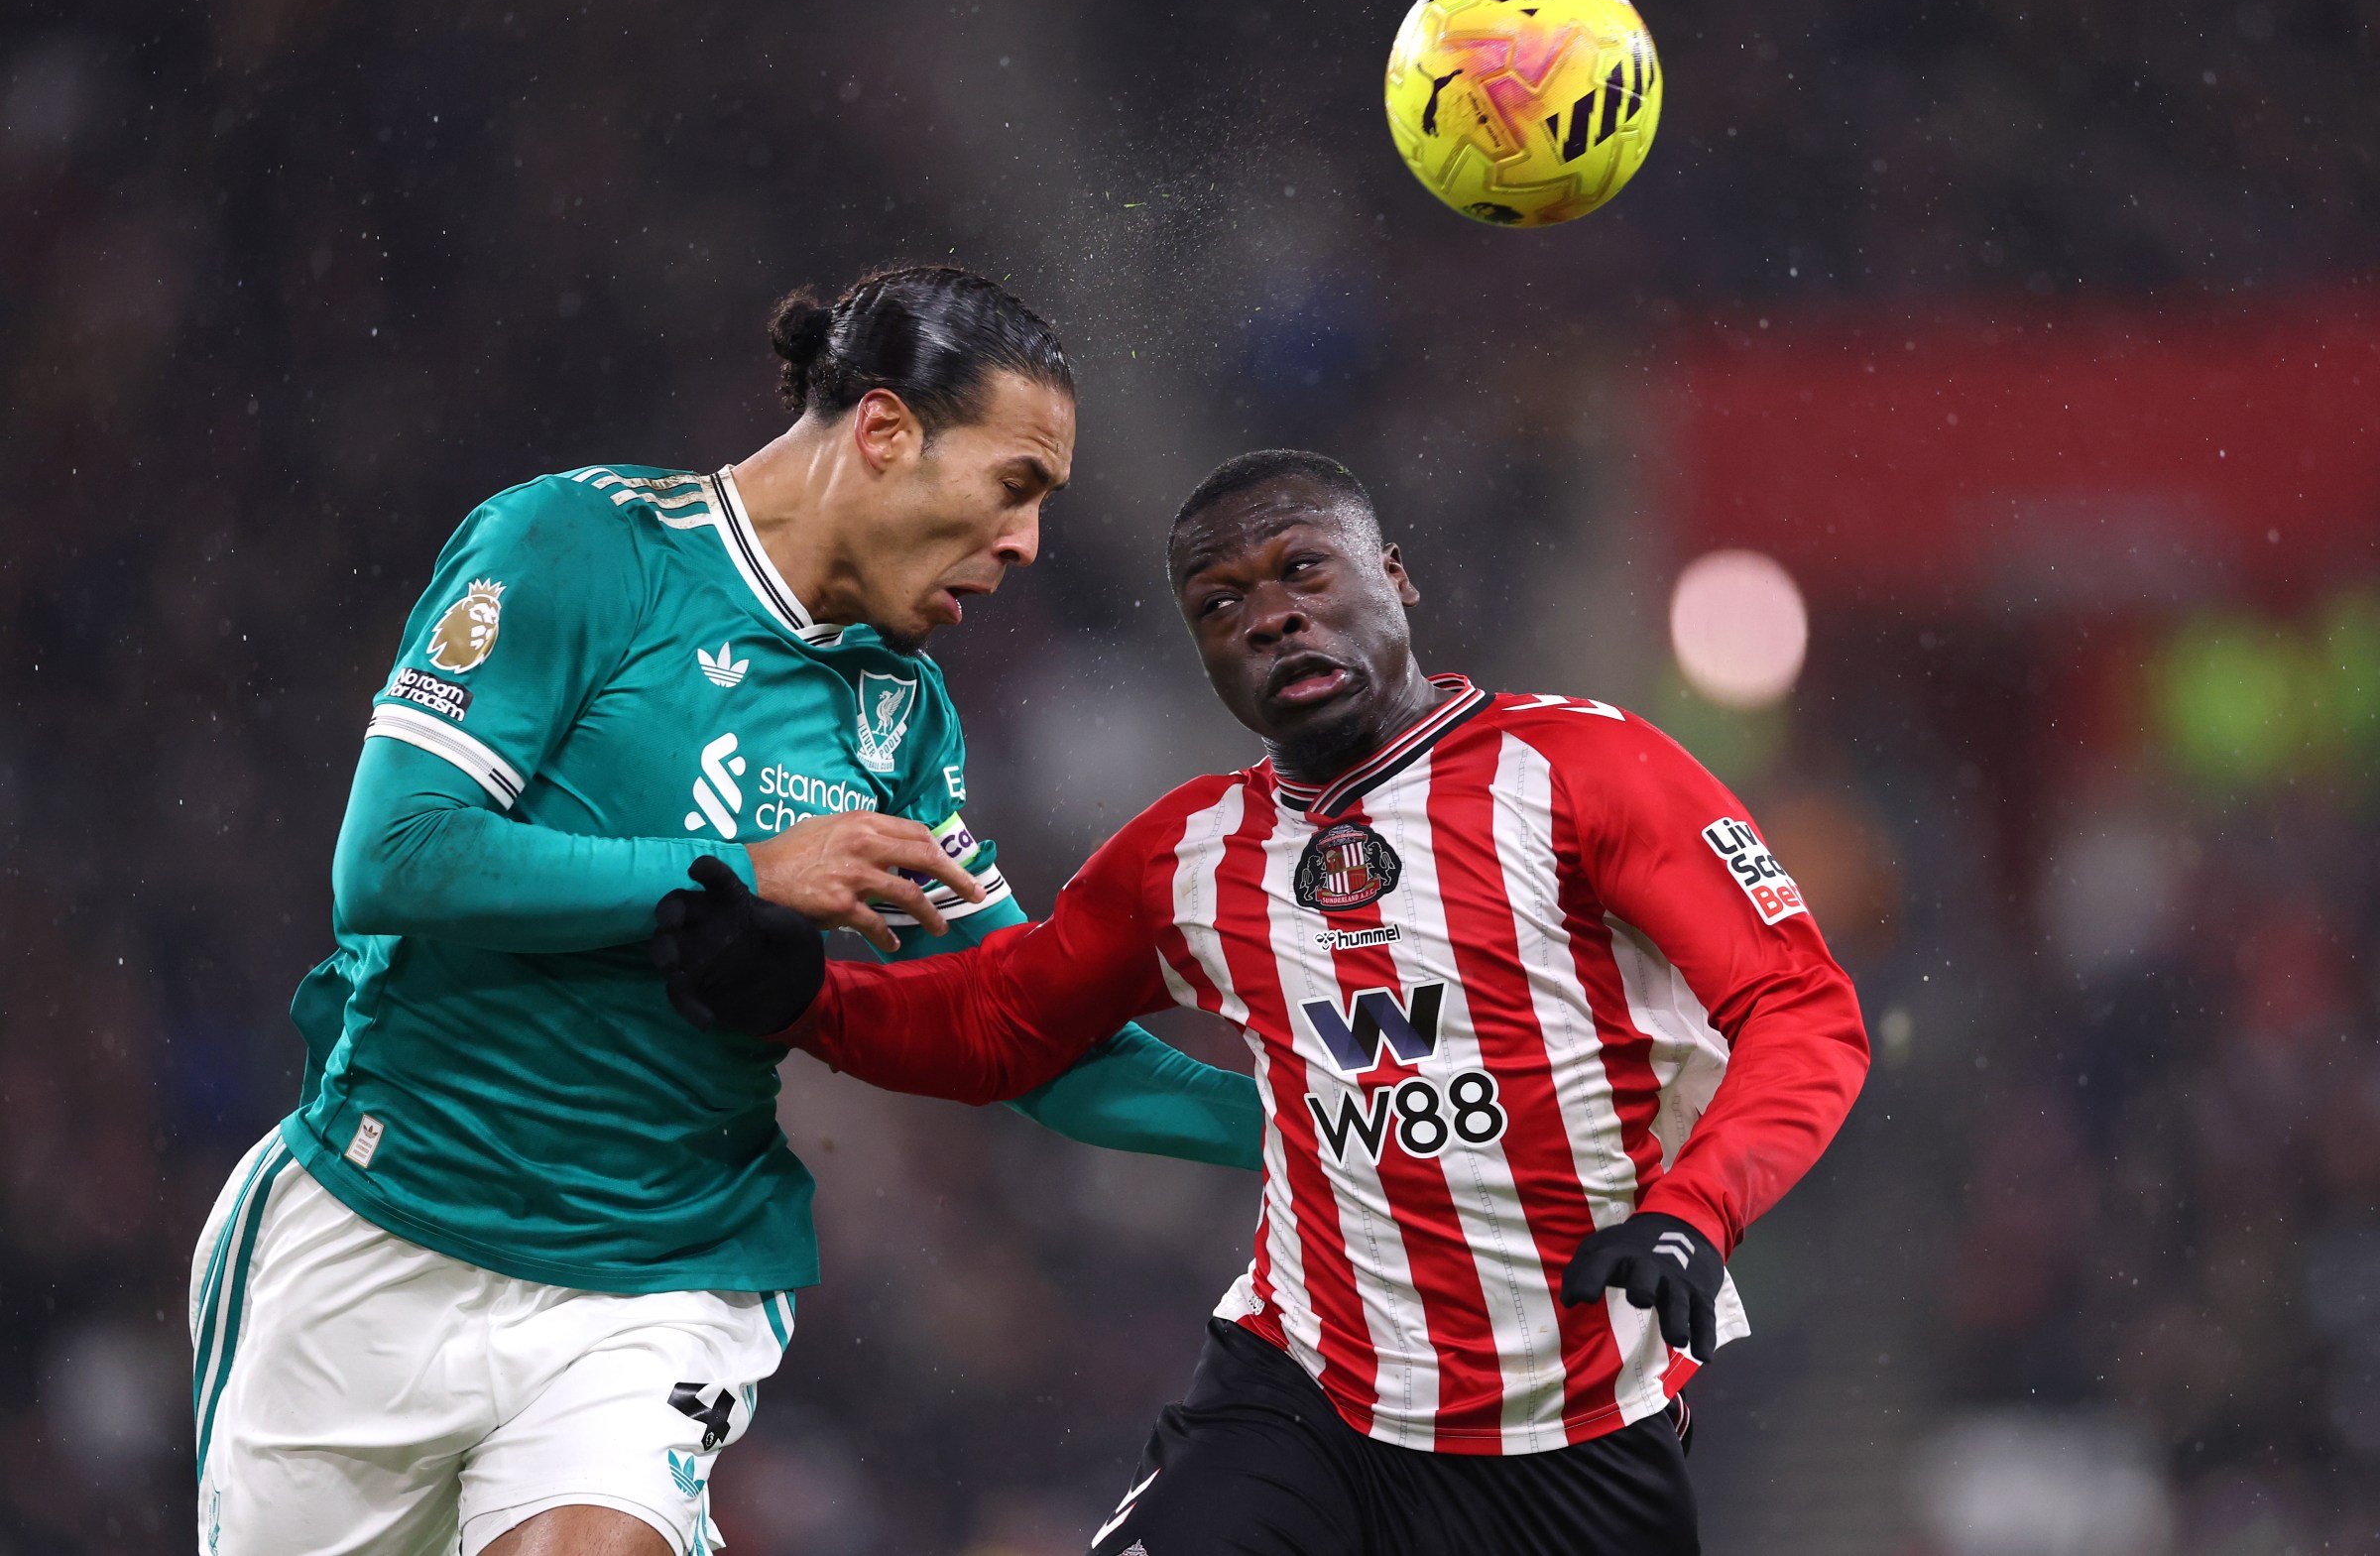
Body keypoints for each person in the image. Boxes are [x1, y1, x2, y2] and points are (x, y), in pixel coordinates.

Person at [188, 266, 1263, 1556]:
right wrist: (748, 867)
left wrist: (1321, 1125)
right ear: (885, 431)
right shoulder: (580, 548)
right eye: (1014, 485)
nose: (1028, 542)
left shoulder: (900, 719)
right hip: (380, 1234)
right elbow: (398, 858)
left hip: (655, 1280)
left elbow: (1024, 1030)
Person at [657, 448, 1870, 1554]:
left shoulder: (1586, 768)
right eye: (1219, 605)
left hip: (1574, 1434)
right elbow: (1001, 1022)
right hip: (1302, 1403)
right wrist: (802, 1001)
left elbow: (1805, 1011)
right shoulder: (1187, 853)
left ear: (1395, 576)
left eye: (1303, 570)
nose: (1270, 616)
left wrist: (1696, 1211)